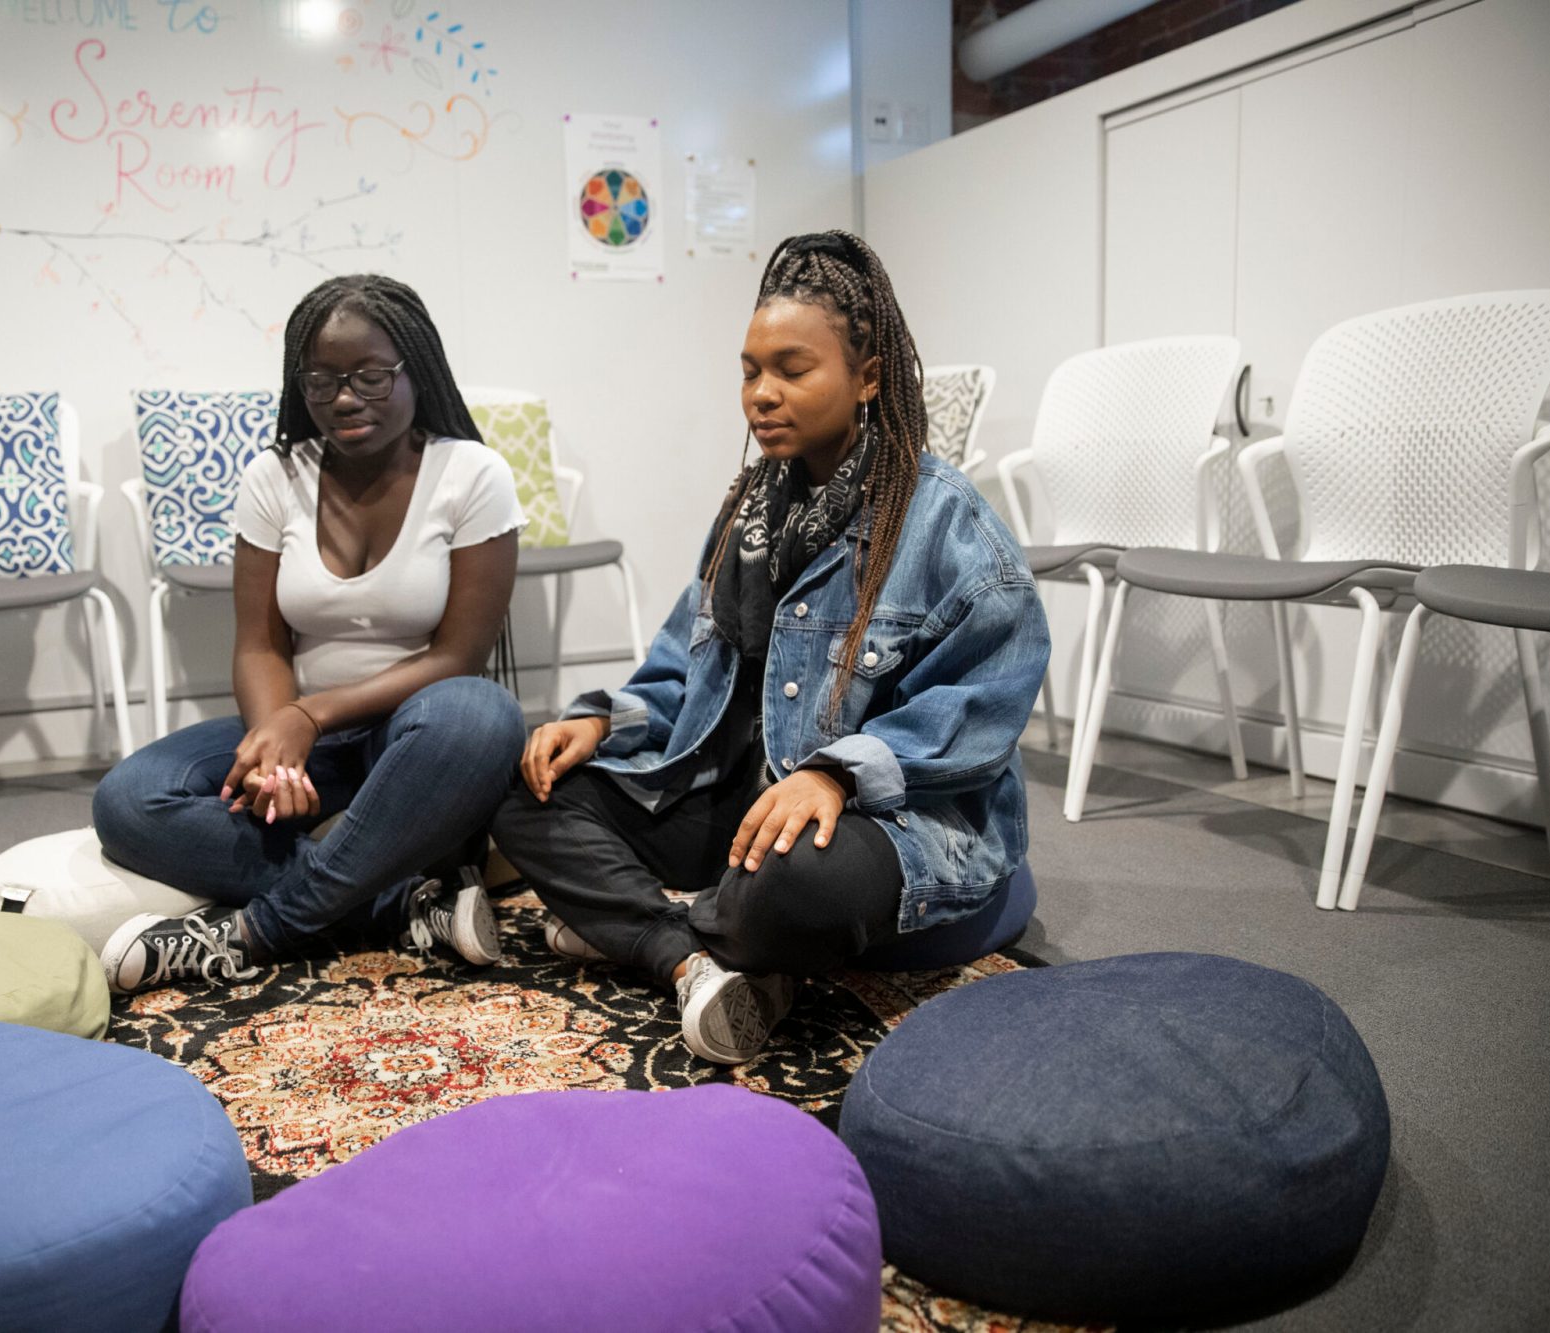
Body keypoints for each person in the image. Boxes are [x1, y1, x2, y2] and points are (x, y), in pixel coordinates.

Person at [491, 231, 1049, 1065]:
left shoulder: (947, 524)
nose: (762, 394)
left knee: (791, 885)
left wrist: (836, 772)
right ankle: (685, 956)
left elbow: (980, 710)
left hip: (880, 824)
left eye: (793, 369)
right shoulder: (749, 509)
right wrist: (603, 722)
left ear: (867, 377)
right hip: (741, 799)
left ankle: (634, 925)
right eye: (751, 371)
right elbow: (686, 664)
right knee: (527, 789)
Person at [93, 274, 527, 993]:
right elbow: (260, 643)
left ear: (415, 367)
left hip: (420, 739)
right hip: (309, 741)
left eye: (369, 376)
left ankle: (258, 930)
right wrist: (275, 752)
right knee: (130, 800)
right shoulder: (273, 476)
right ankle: (395, 904)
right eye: (321, 381)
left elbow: (458, 657)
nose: (345, 398)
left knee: (483, 715)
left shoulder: (472, 474)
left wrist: (308, 713)